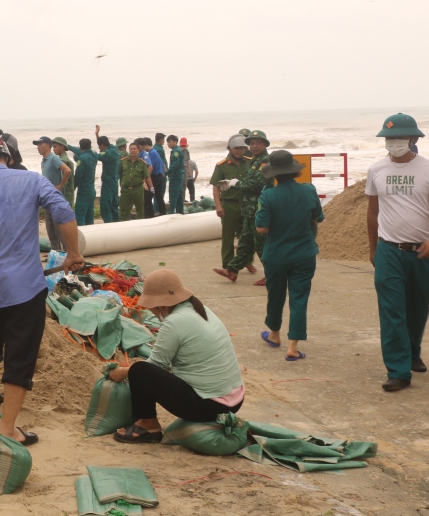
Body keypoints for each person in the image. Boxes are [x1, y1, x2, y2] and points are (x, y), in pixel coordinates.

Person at [0, 134, 83, 446]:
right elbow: (62, 210)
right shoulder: (31, 181)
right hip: (25, 287)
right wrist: (73, 254)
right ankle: (7, 428)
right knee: (20, 355)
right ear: (9, 157)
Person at [109, 270, 244, 444]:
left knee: (140, 371)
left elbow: (155, 366)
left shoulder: (174, 322)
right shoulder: (201, 309)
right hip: (235, 400)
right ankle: (147, 423)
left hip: (211, 406)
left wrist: (122, 372)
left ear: (160, 304)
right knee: (142, 370)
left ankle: (148, 425)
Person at [366, 113, 429, 392]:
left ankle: (412, 351)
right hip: (388, 249)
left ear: (413, 139)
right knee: (392, 310)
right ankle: (398, 369)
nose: (394, 143)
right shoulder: (376, 170)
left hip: (422, 250)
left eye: (400, 137)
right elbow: (372, 212)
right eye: (389, 138)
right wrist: (373, 248)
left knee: (419, 305)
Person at [254, 151, 323, 362]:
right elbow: (318, 217)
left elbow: (261, 229)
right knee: (299, 298)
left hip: (276, 255)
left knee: (275, 295)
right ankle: (293, 347)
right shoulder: (309, 190)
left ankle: (274, 334)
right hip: (304, 253)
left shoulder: (268, 195)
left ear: (273, 174)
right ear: (294, 171)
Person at [217, 130, 273, 284]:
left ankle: (271, 275)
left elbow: (258, 183)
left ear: (265, 144)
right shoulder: (255, 161)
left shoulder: (265, 162)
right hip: (249, 209)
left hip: (259, 210)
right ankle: (232, 270)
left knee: (261, 245)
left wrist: (236, 184)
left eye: (258, 143)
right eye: (252, 143)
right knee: (245, 242)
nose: (254, 146)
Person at [211, 136, 250, 270]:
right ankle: (227, 264)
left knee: (247, 235)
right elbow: (216, 186)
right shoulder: (221, 166)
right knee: (228, 236)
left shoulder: (249, 163)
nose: (240, 151)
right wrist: (218, 205)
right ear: (229, 149)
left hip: (246, 204)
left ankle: (247, 261)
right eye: (236, 148)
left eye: (242, 148)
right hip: (229, 204)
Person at [33, 136, 72, 250]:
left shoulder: (53, 158)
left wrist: (60, 185)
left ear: (48, 145)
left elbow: (67, 170)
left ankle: (66, 252)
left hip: (55, 200)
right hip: (46, 199)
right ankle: (55, 253)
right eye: (37, 145)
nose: (38, 147)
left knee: (59, 229)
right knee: (50, 230)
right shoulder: (44, 161)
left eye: (40, 144)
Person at [93, 127, 121, 223]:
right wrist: (97, 135)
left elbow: (97, 155)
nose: (99, 149)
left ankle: (109, 225)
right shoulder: (114, 149)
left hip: (108, 183)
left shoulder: (109, 154)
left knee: (105, 207)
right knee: (114, 206)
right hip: (114, 182)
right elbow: (103, 148)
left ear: (101, 145)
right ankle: (116, 225)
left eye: (99, 146)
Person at [118, 143, 152, 222]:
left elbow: (147, 176)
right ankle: (123, 226)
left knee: (140, 210)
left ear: (138, 150)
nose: (132, 150)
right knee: (123, 210)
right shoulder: (123, 162)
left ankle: (140, 228)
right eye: (131, 149)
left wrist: (151, 187)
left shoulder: (142, 163)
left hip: (137, 189)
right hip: (125, 190)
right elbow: (119, 174)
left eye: (134, 149)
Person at [73, 138, 98, 226]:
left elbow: (78, 175)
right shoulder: (94, 155)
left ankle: (81, 238)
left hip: (84, 191)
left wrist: (73, 187)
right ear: (90, 146)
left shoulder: (82, 158)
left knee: (80, 216)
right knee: (89, 216)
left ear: (80, 147)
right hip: (91, 190)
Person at [145, 137, 168, 216]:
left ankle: (150, 215)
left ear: (146, 144)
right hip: (160, 176)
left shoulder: (151, 153)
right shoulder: (155, 151)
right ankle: (163, 212)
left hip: (155, 177)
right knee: (159, 196)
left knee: (148, 198)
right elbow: (163, 165)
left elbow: (151, 167)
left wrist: (146, 179)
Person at [52, 137, 76, 209]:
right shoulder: (66, 159)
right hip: (69, 195)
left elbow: (64, 178)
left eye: (55, 147)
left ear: (62, 146)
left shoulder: (63, 161)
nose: (53, 149)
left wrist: (60, 186)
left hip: (65, 196)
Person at [166, 135, 187, 215]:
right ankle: (180, 211)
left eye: (170, 142)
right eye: (167, 142)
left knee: (173, 194)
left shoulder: (176, 152)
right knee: (178, 195)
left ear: (175, 142)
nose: (168, 144)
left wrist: (166, 173)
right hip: (178, 175)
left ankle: (171, 212)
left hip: (176, 176)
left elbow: (175, 165)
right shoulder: (177, 150)